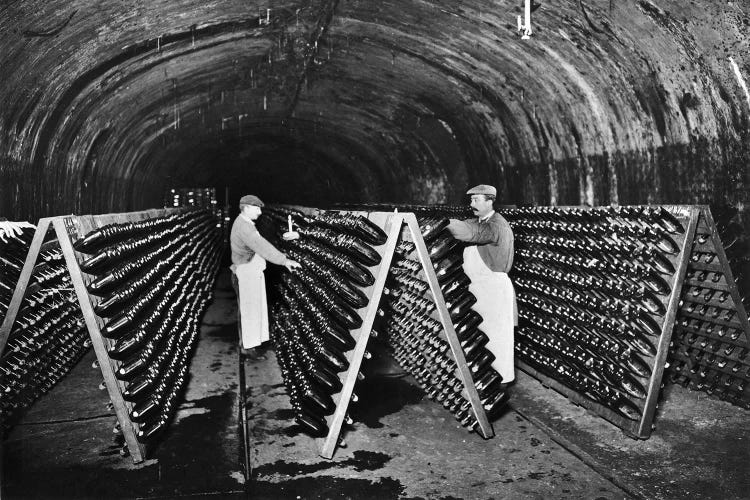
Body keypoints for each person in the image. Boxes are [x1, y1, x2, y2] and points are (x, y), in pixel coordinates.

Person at [446, 184, 517, 386]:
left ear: (490, 201)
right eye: (471, 200)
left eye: (476, 200)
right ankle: (484, 379)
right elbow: (468, 225)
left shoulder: (496, 225)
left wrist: (446, 223)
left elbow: (473, 233)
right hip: (480, 288)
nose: (472, 204)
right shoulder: (480, 220)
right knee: (480, 335)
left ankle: (499, 383)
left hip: (493, 289)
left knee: (496, 339)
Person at [230, 195, 300, 359]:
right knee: (250, 313)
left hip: (247, 272)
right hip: (246, 274)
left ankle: (247, 346)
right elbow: (260, 245)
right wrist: (284, 260)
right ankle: (249, 349)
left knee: (249, 312)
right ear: (246, 208)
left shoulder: (244, 223)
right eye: (257, 208)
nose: (260, 212)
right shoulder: (245, 227)